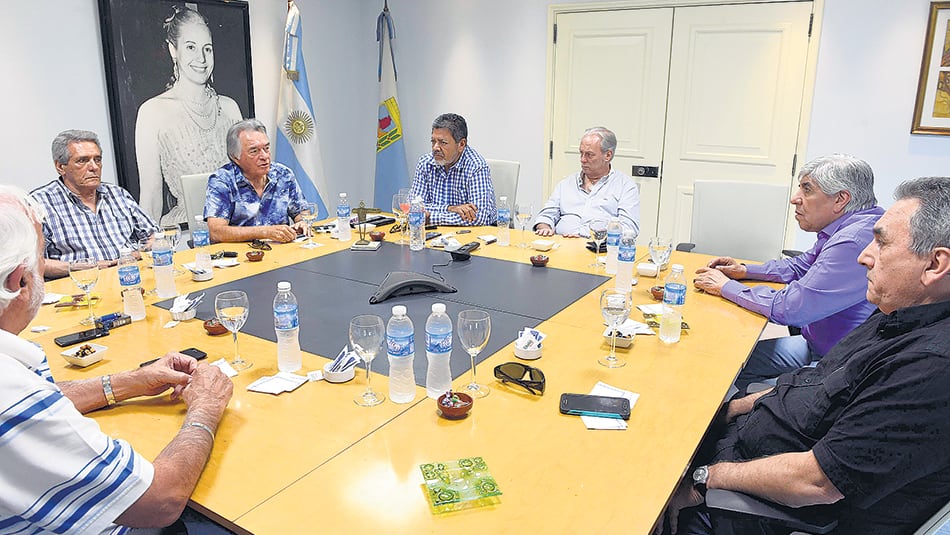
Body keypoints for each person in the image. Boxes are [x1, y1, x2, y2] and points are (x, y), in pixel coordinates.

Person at [655, 176, 950, 535]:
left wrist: (703, 479)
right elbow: (817, 380)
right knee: (662, 418)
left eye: (882, 243)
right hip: (744, 448)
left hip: (754, 507)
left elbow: (816, 484)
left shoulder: (929, 369)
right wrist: (729, 410)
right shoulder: (900, 311)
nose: (864, 256)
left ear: (935, 265)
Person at [0, 185, 234, 533]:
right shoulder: (10, 390)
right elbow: (159, 501)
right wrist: (205, 407)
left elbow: (38, 401)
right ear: (20, 280)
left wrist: (127, 382)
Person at [693, 154, 884, 391]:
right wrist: (744, 270)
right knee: (726, 363)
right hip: (816, 344)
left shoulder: (853, 241)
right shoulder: (853, 225)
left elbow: (790, 309)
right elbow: (799, 265)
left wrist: (725, 287)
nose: (795, 199)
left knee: (729, 381)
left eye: (807, 190)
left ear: (840, 200)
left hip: (833, 364)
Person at [135, 4, 243, 227]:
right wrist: (148, 251)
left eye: (208, 48)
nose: (202, 58)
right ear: (174, 50)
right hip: (187, 232)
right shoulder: (152, 112)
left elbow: (248, 181)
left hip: (236, 228)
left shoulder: (230, 108)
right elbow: (151, 197)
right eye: (191, 47)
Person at [30, 130, 159, 281]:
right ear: (60, 167)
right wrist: (80, 267)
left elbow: (155, 235)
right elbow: (33, 263)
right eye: (82, 161)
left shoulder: (118, 194)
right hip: (81, 287)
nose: (94, 167)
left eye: (97, 159)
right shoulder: (39, 204)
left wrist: (137, 253)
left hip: (132, 278)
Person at [204, 119, 309, 243]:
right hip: (241, 257)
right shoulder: (222, 181)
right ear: (235, 157)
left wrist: (302, 222)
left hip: (281, 254)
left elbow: (301, 211)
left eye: (266, 148)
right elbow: (217, 232)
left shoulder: (283, 174)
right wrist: (265, 232)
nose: (264, 156)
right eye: (254, 151)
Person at [533, 127, 640, 237]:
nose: (582, 159)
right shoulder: (566, 184)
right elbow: (546, 215)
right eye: (581, 153)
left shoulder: (625, 186)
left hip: (599, 249)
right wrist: (544, 227)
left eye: (589, 154)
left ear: (608, 155)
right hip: (561, 246)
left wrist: (582, 235)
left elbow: (629, 229)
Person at [410, 113, 496, 226]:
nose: (435, 147)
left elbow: (478, 218)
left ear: (461, 144)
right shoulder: (425, 163)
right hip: (435, 234)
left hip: (472, 236)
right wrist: (450, 208)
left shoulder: (476, 166)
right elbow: (413, 207)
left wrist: (429, 218)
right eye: (433, 141)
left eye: (442, 142)